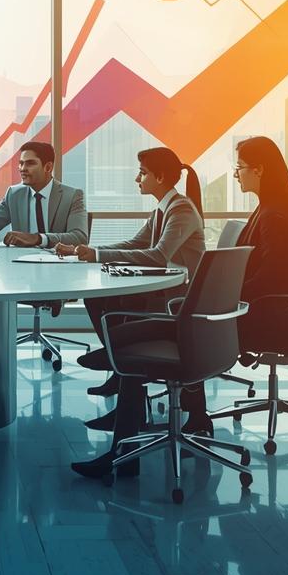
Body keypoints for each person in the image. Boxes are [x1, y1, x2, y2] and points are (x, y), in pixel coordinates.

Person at [57, 147, 207, 480]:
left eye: (141, 172)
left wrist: (95, 253)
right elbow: (136, 243)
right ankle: (114, 360)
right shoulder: (163, 208)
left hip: (178, 307)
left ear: (161, 177)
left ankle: (123, 450)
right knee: (98, 303)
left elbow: (157, 256)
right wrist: (91, 252)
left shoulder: (180, 210)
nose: (136, 178)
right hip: (167, 298)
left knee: (124, 338)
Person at [231, 135, 288, 352]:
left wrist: (229, 296)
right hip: (267, 308)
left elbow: (273, 277)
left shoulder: (273, 215)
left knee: (187, 328)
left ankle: (188, 384)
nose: (235, 174)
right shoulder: (271, 207)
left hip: (268, 316)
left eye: (239, 167)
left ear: (259, 170)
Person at [0, 140, 88, 248]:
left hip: (59, 264)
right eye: (21, 163)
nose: (22, 169)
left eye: (30, 164)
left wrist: (38, 239)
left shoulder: (72, 196)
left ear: (48, 167)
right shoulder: (14, 195)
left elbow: (79, 237)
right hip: (21, 264)